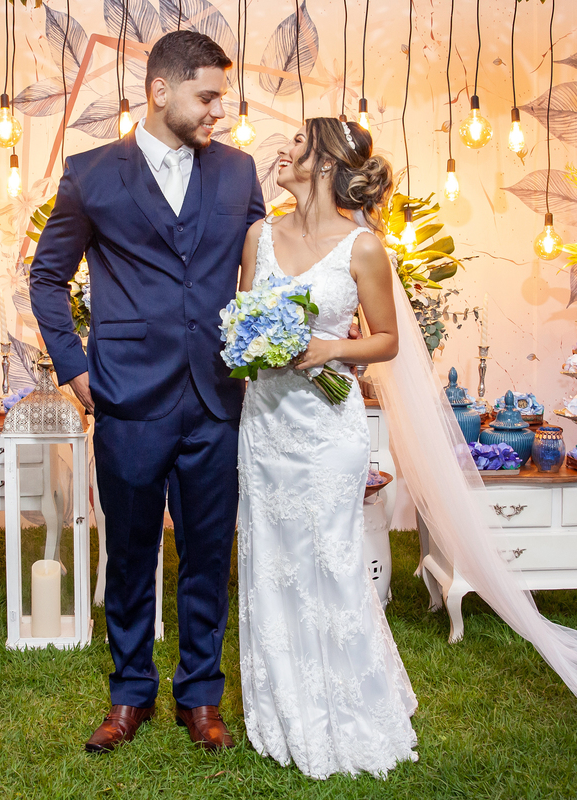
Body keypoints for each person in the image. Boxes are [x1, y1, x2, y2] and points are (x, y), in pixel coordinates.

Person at [28, 30, 264, 753]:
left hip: (218, 398)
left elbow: (265, 271)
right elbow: (46, 277)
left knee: (206, 552)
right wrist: (73, 368)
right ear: (160, 91)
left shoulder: (238, 172)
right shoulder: (91, 175)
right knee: (129, 553)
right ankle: (130, 692)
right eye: (207, 96)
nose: (217, 111)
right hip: (127, 398)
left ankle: (200, 695)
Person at [234, 118, 419, 779]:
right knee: (271, 563)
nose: (281, 154)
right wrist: (248, 346)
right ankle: (283, 705)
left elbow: (387, 339)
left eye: (296, 147)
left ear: (321, 166)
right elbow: (239, 321)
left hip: (327, 430)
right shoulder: (258, 237)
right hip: (264, 425)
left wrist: (329, 348)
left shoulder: (364, 248)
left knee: (332, 563)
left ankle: (350, 707)